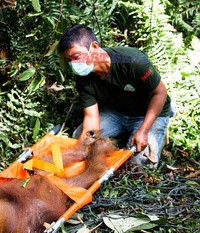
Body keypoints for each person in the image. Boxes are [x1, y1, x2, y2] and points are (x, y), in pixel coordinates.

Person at [59, 25, 171, 167]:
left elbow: (160, 92)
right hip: (117, 112)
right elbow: (91, 116)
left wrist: (143, 131)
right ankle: (125, 136)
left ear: (94, 47)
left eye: (76, 57)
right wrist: (83, 149)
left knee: (140, 162)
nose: (74, 64)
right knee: (80, 136)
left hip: (147, 111)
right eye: (69, 60)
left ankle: (155, 130)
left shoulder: (132, 61)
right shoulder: (83, 78)